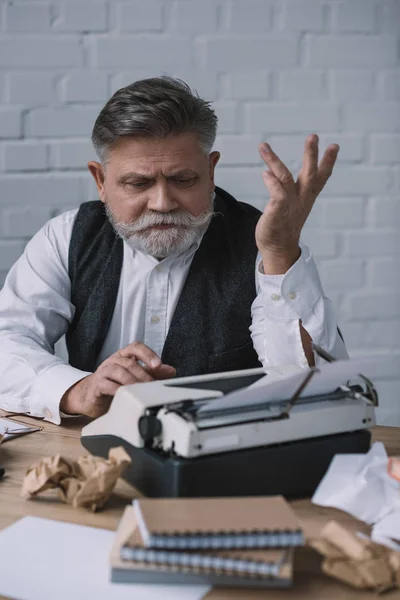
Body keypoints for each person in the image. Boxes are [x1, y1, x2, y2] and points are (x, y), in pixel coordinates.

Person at [0, 77, 347, 424]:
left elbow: (323, 395)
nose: (163, 203)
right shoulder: (66, 238)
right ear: (100, 181)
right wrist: (77, 390)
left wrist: (281, 256)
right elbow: (9, 340)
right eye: (139, 183)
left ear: (210, 171)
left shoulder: (266, 244)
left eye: (183, 180)